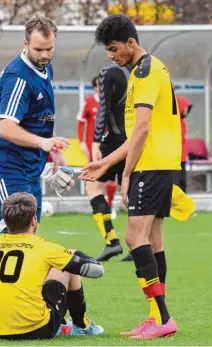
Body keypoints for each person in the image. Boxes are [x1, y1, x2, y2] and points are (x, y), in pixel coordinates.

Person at [81, 14, 180, 338]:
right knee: (153, 239)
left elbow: (141, 129)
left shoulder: (145, 71)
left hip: (151, 165)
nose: (111, 56)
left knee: (134, 238)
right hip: (162, 163)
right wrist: (105, 164)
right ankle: (157, 316)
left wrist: (124, 174)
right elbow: (137, 133)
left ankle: (162, 318)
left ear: (131, 43)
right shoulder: (145, 70)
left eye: (113, 49)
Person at [0, 16, 72, 233]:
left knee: (30, 234)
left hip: (28, 167)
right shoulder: (18, 77)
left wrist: (53, 149)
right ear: (26, 44)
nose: (45, 55)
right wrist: (44, 143)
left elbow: (42, 117)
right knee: (15, 235)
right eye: (39, 49)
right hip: (3, 166)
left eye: (50, 49)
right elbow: (6, 128)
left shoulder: (46, 69)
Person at [0, 192, 105, 340]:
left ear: (5, 222)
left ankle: (64, 323)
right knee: (66, 267)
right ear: (33, 221)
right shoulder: (44, 248)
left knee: (42, 272)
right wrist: (74, 253)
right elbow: (97, 271)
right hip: (36, 328)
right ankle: (82, 326)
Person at [84, 64, 132, 262]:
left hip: (114, 140)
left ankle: (112, 242)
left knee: (93, 188)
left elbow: (103, 110)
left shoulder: (107, 73)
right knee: (130, 193)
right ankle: (140, 246)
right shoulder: (141, 71)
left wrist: (95, 142)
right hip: (134, 139)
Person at [77, 76, 118, 221]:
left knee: (112, 178)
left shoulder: (113, 102)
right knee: (96, 178)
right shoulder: (88, 103)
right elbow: (81, 122)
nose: (100, 88)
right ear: (94, 87)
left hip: (111, 145)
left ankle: (111, 205)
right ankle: (101, 207)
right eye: (97, 86)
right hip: (93, 146)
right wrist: (82, 142)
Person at [176, 96, 193, 193]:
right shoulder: (174, 122)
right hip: (176, 157)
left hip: (182, 156)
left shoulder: (182, 121)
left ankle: (182, 206)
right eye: (185, 108)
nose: (186, 111)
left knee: (182, 183)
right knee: (177, 184)